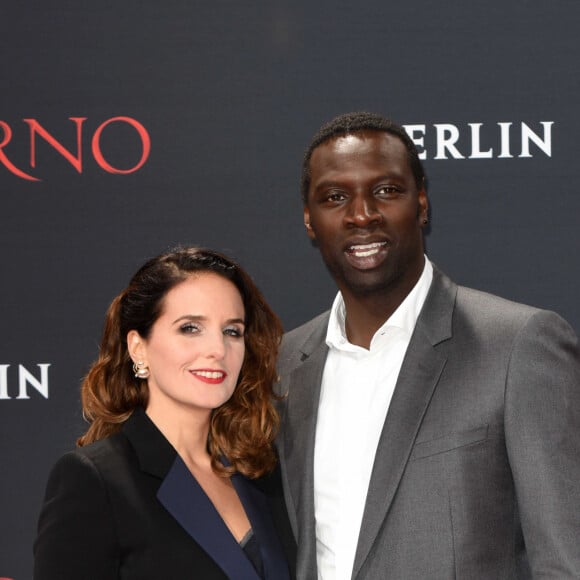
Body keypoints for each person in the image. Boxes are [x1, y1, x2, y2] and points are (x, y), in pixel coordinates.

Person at [276, 111, 580, 579]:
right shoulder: (284, 365)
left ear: (421, 203)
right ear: (309, 221)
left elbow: (565, 559)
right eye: (335, 197)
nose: (362, 215)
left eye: (386, 191)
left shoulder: (518, 345)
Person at [34, 246, 296, 580]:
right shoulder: (95, 480)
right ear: (138, 347)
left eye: (232, 331)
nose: (218, 349)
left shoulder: (260, 469)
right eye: (190, 328)